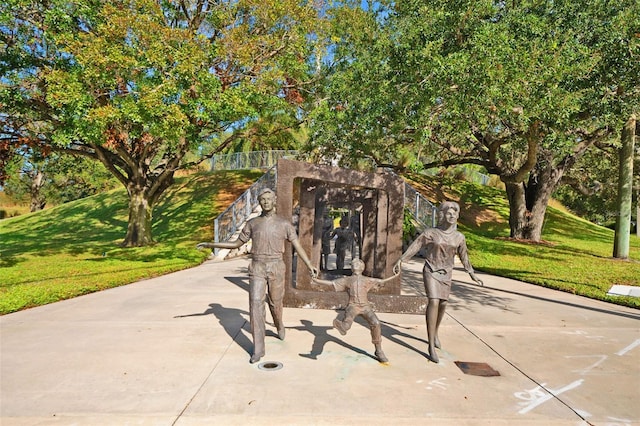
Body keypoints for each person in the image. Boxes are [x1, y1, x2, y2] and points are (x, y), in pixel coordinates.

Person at [197, 188, 318, 364]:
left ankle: (279, 323)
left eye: (269, 199)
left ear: (274, 200)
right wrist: (211, 244)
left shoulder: (285, 224)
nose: (266, 202)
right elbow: (237, 243)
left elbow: (297, 245)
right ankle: (258, 348)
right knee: (255, 304)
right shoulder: (253, 223)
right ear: (260, 202)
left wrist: (309, 264)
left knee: (276, 303)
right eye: (263, 199)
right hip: (257, 266)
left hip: (276, 266)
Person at [396, 201, 483, 363]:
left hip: (446, 273)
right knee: (434, 302)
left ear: (457, 216)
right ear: (443, 215)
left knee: (443, 304)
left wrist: (472, 273)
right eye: (448, 213)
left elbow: (464, 256)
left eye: (454, 213)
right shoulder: (431, 233)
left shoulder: (459, 237)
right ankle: (430, 345)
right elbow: (416, 245)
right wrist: (401, 260)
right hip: (431, 270)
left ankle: (435, 332)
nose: (452, 215)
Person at [311, 257, 400, 363]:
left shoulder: (367, 280)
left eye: (358, 263)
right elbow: (331, 283)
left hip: (366, 307)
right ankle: (341, 328)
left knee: (376, 323)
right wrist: (316, 280)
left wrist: (396, 275)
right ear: (351, 268)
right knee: (348, 319)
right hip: (353, 305)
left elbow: (382, 281)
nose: (355, 264)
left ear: (363, 267)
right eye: (353, 263)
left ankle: (379, 350)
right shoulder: (346, 280)